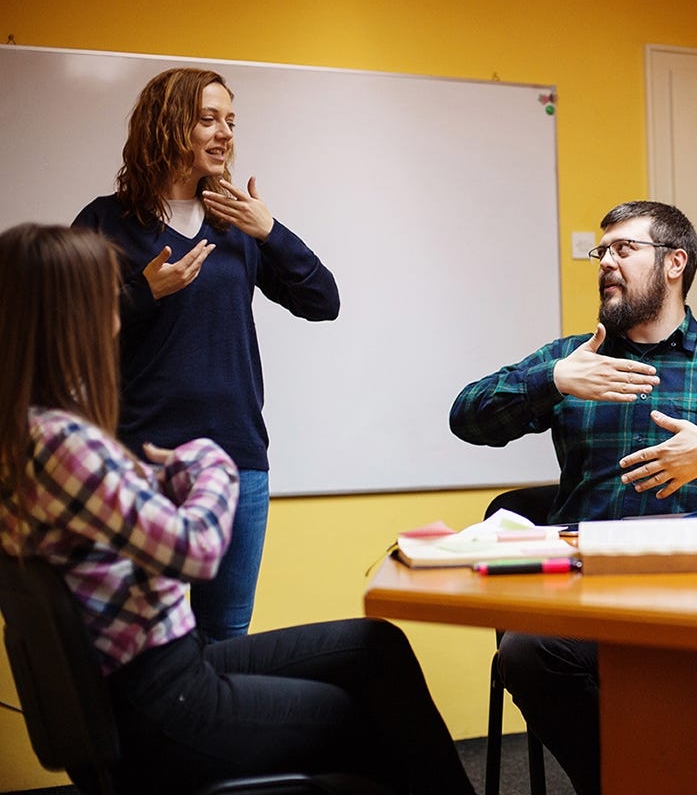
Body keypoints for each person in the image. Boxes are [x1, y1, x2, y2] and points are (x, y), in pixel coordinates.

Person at [0, 223, 475, 795]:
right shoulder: (62, 442)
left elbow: (120, 501)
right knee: (357, 717)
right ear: (64, 316)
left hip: (162, 668)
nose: (116, 314)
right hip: (163, 698)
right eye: (104, 298)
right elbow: (195, 551)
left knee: (375, 647)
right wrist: (210, 461)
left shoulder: (31, 432)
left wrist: (169, 474)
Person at [449, 200, 697, 795]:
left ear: (674, 263)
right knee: (527, 654)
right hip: (588, 591)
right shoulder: (575, 358)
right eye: (600, 252)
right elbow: (467, 417)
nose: (606, 261)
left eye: (624, 249)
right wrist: (551, 381)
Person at [72, 67, 340, 640]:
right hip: (138, 463)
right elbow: (68, 335)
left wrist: (271, 231)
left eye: (231, 121)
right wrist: (146, 293)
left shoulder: (237, 225)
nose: (225, 134)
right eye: (208, 119)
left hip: (238, 461)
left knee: (226, 643)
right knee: (141, 646)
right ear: (168, 126)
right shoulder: (104, 223)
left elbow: (323, 302)